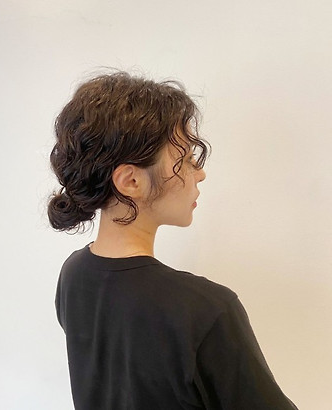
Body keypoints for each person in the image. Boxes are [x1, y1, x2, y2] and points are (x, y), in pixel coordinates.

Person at [48, 69, 298, 409]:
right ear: (131, 181)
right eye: (187, 160)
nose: (200, 173)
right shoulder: (205, 310)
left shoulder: (74, 275)